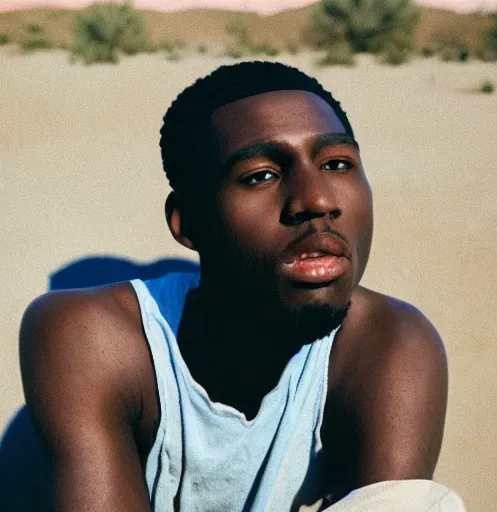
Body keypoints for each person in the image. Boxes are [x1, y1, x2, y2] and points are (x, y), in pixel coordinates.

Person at [17, 61, 462, 511]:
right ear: (188, 222)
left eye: (337, 164)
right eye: (260, 175)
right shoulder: (95, 338)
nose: (317, 200)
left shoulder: (390, 344)